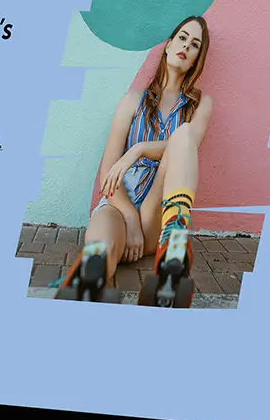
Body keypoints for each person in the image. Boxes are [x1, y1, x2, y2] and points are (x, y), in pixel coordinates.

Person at [70, 15, 213, 292]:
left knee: (182, 135)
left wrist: (139, 149)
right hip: (118, 202)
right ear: (169, 45)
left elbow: (187, 146)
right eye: (182, 38)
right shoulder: (134, 99)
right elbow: (108, 174)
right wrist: (130, 220)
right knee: (97, 258)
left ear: (197, 58)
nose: (186, 46)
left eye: (195, 44)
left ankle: (175, 241)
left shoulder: (200, 104)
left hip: (157, 207)